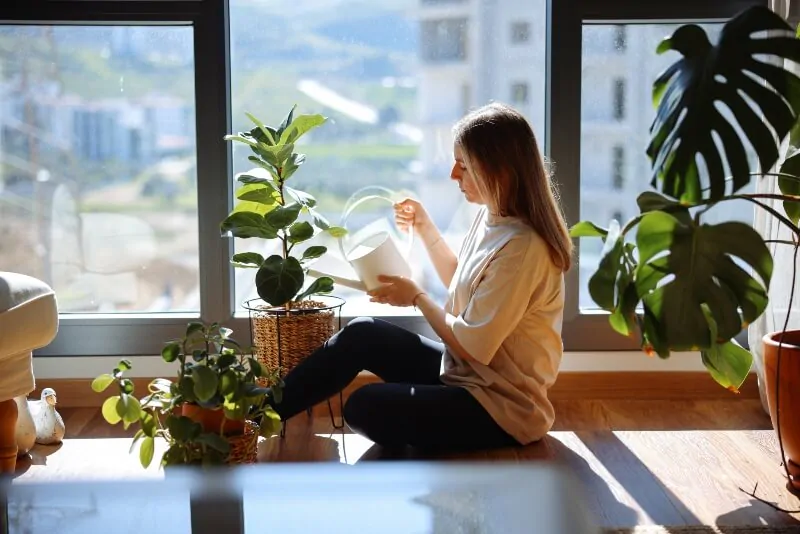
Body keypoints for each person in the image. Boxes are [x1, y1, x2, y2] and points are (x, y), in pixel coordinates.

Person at [268, 102, 573, 451]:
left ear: (498, 170)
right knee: (362, 333)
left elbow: (474, 347)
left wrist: (416, 297)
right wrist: (426, 228)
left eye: (464, 166)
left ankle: (440, 429)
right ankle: (254, 413)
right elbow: (467, 283)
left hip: (501, 408)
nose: (453, 176)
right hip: (465, 377)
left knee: (364, 406)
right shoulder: (494, 217)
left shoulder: (524, 248)